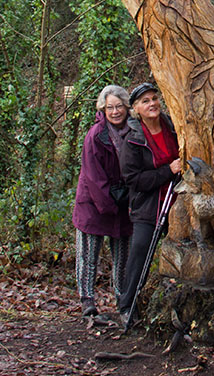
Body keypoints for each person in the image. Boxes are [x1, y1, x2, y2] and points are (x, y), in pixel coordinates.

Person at [119, 83, 181, 325]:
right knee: (141, 251)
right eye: (145, 101)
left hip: (178, 202)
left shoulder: (172, 125)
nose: (152, 104)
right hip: (148, 205)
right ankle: (126, 306)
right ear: (135, 108)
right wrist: (168, 171)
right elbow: (133, 179)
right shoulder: (132, 139)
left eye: (154, 98)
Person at [72, 85, 133, 317]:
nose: (115, 112)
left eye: (119, 106)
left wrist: (128, 201)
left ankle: (122, 299)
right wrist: (109, 204)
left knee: (122, 258)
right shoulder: (96, 135)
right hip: (94, 204)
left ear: (126, 107)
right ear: (103, 109)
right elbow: (93, 177)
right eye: (110, 107)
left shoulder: (135, 131)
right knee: (88, 254)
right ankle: (87, 299)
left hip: (124, 203)